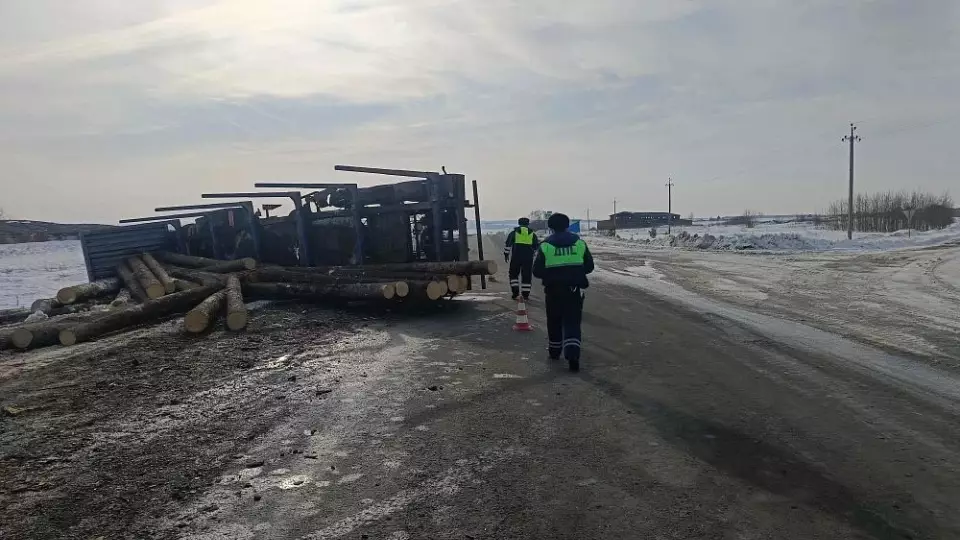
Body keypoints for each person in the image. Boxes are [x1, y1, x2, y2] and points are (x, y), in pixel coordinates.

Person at [532, 212, 594, 372]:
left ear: (550, 227)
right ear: (567, 225)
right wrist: (574, 272)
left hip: (553, 291)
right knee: (572, 323)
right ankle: (573, 356)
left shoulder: (545, 245)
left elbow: (537, 271)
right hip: (573, 291)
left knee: (554, 322)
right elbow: (589, 266)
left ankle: (554, 352)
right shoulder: (579, 243)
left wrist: (552, 274)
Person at [503, 217, 539, 300]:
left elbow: (508, 245)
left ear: (519, 223)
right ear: (528, 224)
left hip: (516, 257)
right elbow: (536, 247)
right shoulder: (532, 234)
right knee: (526, 276)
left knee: (513, 274)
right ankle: (525, 295)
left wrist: (506, 255)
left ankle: (515, 293)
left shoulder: (514, 233)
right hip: (528, 258)